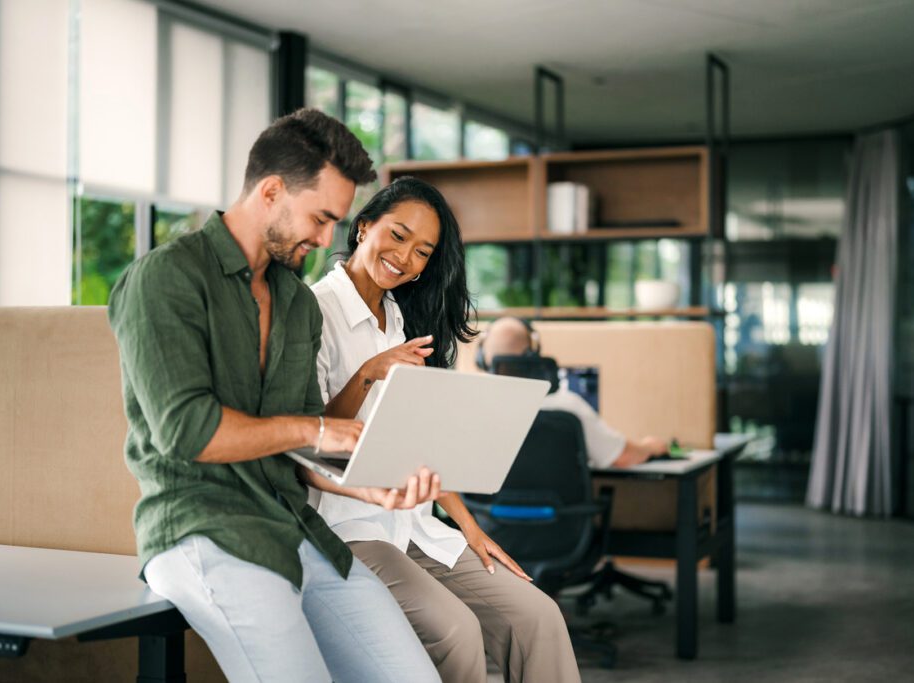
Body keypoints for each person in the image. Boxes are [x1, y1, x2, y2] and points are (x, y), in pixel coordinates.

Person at [107, 108, 440, 682]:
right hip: (202, 528)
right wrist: (317, 430)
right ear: (271, 191)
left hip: (293, 528)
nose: (326, 238)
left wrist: (366, 484)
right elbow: (187, 431)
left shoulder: (295, 302)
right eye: (320, 217)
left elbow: (299, 442)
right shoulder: (167, 279)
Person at [305, 177, 581, 683]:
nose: (405, 256)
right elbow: (311, 437)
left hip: (414, 526)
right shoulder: (314, 311)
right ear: (364, 226)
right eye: (398, 235)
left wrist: (470, 527)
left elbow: (418, 442)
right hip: (347, 527)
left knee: (539, 617)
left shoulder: (397, 317)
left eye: (422, 251)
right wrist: (368, 372)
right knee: (455, 628)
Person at [479, 317, 670, 469]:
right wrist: (649, 446)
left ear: (482, 358)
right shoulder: (566, 406)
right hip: (557, 517)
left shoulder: (476, 406)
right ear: (533, 354)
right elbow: (622, 457)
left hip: (485, 516)